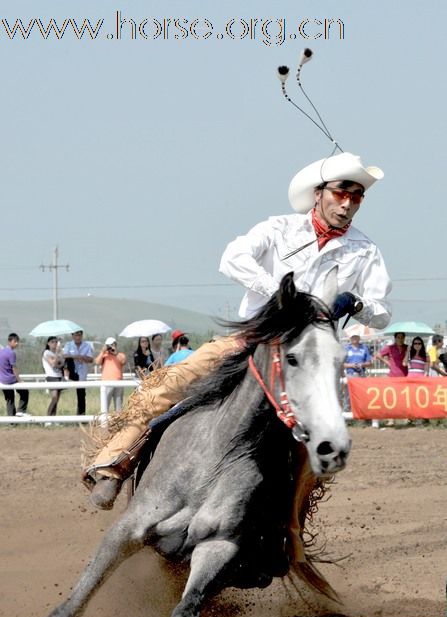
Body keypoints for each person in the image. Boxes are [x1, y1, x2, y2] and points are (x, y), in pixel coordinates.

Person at [85, 152, 392, 510]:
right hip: (252, 338)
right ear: (319, 193)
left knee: (324, 430)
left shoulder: (365, 250)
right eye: (342, 192)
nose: (349, 202)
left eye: (357, 196)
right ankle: (115, 465)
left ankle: (290, 523)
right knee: (169, 384)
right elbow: (232, 258)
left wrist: (356, 303)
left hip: (306, 356)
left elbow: (382, 312)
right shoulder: (279, 229)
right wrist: (277, 291)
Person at [63, 330, 93, 415]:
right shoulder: (68, 345)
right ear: (72, 336)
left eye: (80, 335)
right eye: (76, 335)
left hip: (82, 373)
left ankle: (81, 415)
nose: (78, 337)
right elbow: (64, 355)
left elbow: (91, 359)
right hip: (71, 371)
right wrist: (75, 357)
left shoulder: (87, 346)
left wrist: (83, 358)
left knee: (81, 395)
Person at [0, 333, 29, 417]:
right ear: (10, 341)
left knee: (10, 399)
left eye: (17, 341)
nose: (17, 343)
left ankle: (12, 421)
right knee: (24, 392)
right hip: (10, 379)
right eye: (15, 341)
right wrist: (19, 380)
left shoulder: (1, 352)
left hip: (2, 380)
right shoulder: (11, 353)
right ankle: (21, 410)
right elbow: (14, 368)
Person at [95, 337, 127, 412]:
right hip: (107, 383)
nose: (111, 347)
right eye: (109, 345)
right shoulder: (104, 355)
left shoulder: (120, 354)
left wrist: (115, 353)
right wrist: (102, 351)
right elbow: (97, 362)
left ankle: (118, 422)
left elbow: (123, 361)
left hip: (118, 383)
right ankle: (104, 422)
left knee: (118, 407)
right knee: (105, 405)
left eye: (113, 344)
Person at [343, 334, 372, 411]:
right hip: (350, 374)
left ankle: (362, 413)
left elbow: (369, 363)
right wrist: (351, 365)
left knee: (361, 394)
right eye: (352, 337)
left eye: (356, 337)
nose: (354, 339)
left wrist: (361, 364)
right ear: (350, 338)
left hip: (361, 374)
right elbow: (342, 364)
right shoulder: (346, 348)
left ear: (359, 338)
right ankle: (347, 413)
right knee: (348, 395)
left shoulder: (364, 348)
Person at [42, 336, 66, 416]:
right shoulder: (46, 353)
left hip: (59, 376)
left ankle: (53, 417)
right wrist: (56, 354)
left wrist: (59, 354)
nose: (54, 344)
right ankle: (48, 417)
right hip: (52, 376)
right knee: (54, 397)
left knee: (57, 399)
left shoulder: (58, 353)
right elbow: (53, 364)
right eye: (52, 342)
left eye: (56, 342)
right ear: (48, 343)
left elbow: (61, 364)